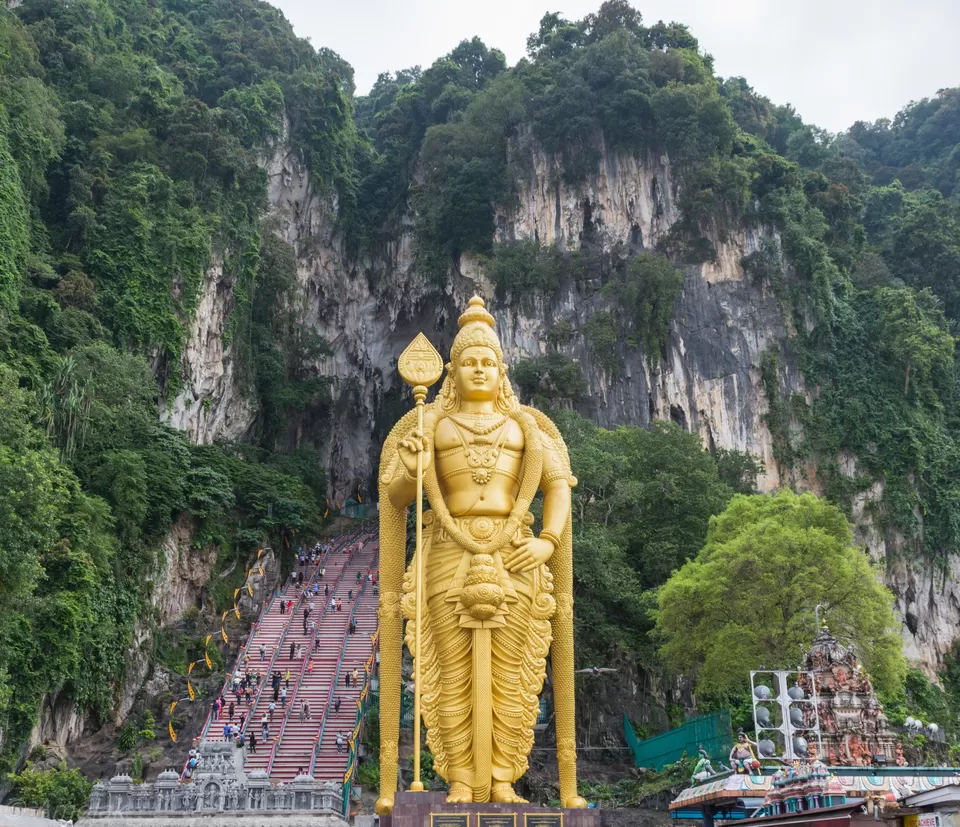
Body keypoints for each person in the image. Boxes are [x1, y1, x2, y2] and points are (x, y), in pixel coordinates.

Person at [376, 297, 585, 808]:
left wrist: (546, 541)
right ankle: (461, 779)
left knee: (512, 673)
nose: (478, 369)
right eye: (469, 361)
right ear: (452, 370)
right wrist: (411, 464)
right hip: (448, 550)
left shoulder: (527, 428)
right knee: (450, 670)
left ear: (501, 369)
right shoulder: (430, 425)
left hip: (515, 551)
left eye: (487, 362)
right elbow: (396, 495)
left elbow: (558, 487)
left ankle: (502, 778)